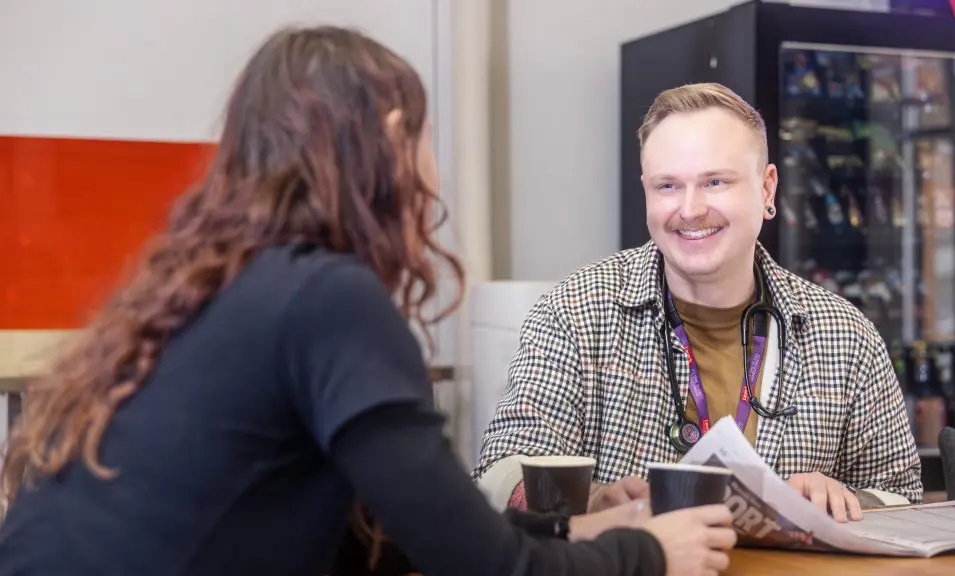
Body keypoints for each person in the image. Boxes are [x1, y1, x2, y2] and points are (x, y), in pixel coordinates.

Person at [0, 27, 740, 576]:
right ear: (392, 141)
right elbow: (482, 569)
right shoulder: (327, 300)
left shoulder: (221, 285)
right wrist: (647, 553)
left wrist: (567, 534)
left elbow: (397, 532)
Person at [473, 83, 922, 522]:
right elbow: (500, 471)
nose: (690, 209)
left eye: (714, 182)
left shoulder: (844, 334)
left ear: (767, 190)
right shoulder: (575, 312)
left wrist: (843, 500)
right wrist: (591, 502)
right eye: (667, 186)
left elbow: (903, 496)